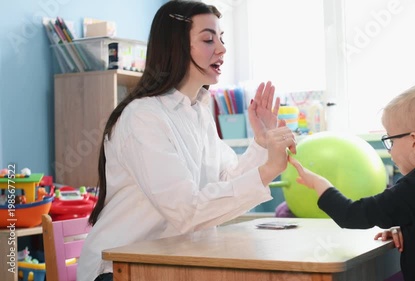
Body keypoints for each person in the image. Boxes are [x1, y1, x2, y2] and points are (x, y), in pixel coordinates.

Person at [77, 1, 296, 281]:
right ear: (176, 46)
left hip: (169, 265)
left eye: (221, 39)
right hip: (118, 270)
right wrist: (268, 169)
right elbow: (188, 211)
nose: (222, 49)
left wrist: (261, 144)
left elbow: (226, 180)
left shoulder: (198, 111)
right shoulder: (143, 117)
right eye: (208, 39)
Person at [288, 82, 415, 281]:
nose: (390, 149)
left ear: (414, 142)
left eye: (391, 140)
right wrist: (408, 229)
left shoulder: (411, 189)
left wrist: (319, 184)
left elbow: (352, 215)